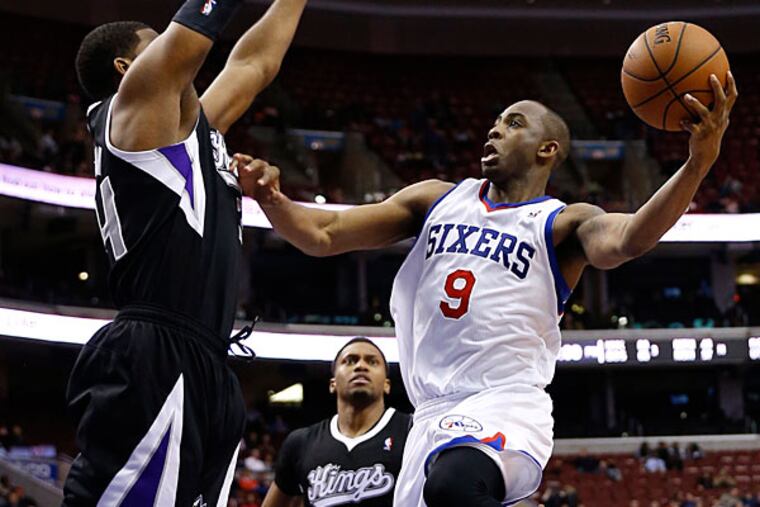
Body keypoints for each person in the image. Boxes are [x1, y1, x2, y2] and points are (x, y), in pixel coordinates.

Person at [238, 72, 737, 506]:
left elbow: (630, 238)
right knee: (447, 485)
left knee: (454, 485)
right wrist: (273, 199)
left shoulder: (561, 224)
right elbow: (324, 234)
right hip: (429, 414)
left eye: (514, 123)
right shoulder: (435, 199)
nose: (495, 129)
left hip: (505, 401)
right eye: (496, 121)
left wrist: (698, 163)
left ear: (548, 150)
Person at [64, 0, 308, 504]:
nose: (176, 48)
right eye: (158, 41)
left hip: (206, 358)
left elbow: (253, 65)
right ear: (127, 69)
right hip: (154, 349)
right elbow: (199, 28)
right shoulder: (135, 108)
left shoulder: (188, 129)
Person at [262, 338, 412, 507]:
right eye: (350, 361)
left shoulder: (411, 432)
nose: (361, 366)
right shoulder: (301, 443)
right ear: (333, 384)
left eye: (372, 361)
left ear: (387, 385)